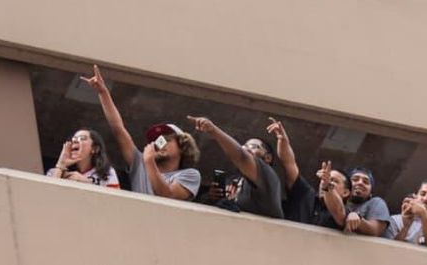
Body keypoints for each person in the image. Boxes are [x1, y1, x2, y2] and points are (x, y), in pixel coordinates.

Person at [79, 65, 201, 200]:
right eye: (157, 141)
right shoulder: (139, 162)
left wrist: (149, 160)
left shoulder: (190, 174)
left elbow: (168, 195)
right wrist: (103, 92)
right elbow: (118, 129)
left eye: (166, 139)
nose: (160, 144)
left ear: (182, 145)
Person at [186, 116, 284, 218]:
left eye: (254, 146)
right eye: (244, 145)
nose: (246, 148)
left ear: (268, 158)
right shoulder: (231, 180)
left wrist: (213, 130)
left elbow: (242, 157)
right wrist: (211, 197)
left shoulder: (269, 177)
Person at [384, 178, 427, 247]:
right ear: (415, 196)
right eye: (422, 194)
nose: (425, 199)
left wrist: (423, 214)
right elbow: (388, 249)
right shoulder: (395, 220)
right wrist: (406, 227)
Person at [46, 128, 119, 188]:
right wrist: (61, 165)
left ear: (95, 149)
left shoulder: (107, 173)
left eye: (82, 138)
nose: (74, 141)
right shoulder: (54, 172)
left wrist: (87, 183)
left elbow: (116, 201)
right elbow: (47, 194)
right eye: (73, 139)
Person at [342, 167, 391, 236]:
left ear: (371, 193)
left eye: (366, 182)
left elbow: (375, 230)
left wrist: (358, 219)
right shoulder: (339, 201)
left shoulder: (376, 202)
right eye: (355, 179)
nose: (360, 183)